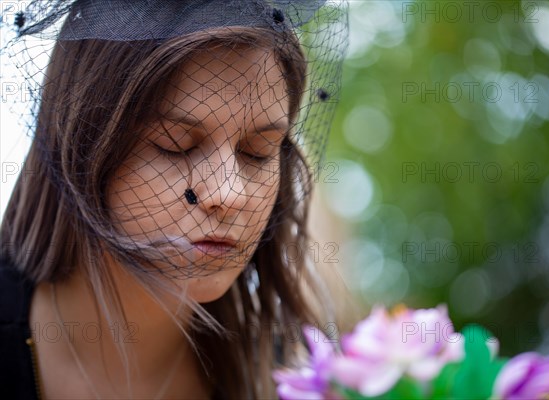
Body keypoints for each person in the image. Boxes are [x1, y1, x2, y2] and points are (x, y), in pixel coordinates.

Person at [0, 1, 348, 398]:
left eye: (257, 151)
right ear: (83, 147)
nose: (228, 194)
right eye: (175, 146)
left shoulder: (289, 379)